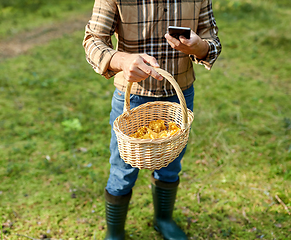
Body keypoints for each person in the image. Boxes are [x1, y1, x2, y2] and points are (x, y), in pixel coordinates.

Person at [83, 0, 221, 239]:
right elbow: (93, 40)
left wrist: (199, 47)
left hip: (179, 96)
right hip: (132, 98)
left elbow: (213, 43)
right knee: (122, 170)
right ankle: (114, 233)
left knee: (171, 165)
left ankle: (163, 220)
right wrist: (122, 61)